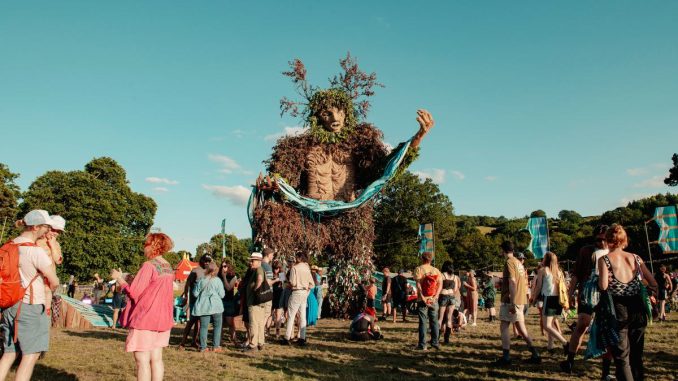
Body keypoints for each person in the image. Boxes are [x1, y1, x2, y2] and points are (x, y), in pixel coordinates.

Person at [0, 210, 60, 381]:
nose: (48, 230)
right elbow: (54, 280)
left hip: (9, 304)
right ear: (35, 227)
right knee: (30, 355)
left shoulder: (9, 246)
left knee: (9, 353)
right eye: (46, 226)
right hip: (30, 306)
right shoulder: (35, 251)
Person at [110, 233, 175, 381]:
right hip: (163, 319)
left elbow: (134, 292)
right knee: (156, 359)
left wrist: (119, 278)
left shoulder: (149, 265)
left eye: (146, 244)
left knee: (142, 361)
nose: (144, 247)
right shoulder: (167, 267)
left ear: (153, 245)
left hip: (146, 318)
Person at [598, 224, 657, 381]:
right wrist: (641, 287)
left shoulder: (604, 260)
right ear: (624, 240)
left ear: (608, 240)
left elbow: (603, 286)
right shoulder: (636, 258)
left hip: (618, 309)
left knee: (622, 357)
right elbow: (653, 283)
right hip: (638, 307)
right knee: (636, 355)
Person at [561, 225, 612, 375]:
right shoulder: (586, 251)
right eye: (599, 240)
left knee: (606, 330)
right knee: (582, 324)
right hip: (587, 292)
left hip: (607, 294)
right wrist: (569, 295)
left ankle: (605, 371)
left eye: (605, 239)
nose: (602, 243)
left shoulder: (614, 251)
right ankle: (569, 361)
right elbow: (576, 274)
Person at [495, 241, 540, 366]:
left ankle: (506, 357)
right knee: (521, 329)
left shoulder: (509, 262)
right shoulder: (518, 262)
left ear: (502, 250)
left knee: (504, 326)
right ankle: (535, 354)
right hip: (521, 299)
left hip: (511, 300)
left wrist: (512, 303)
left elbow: (513, 282)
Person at [531, 252, 569, 354]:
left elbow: (538, 287)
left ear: (546, 259)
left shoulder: (543, 270)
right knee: (551, 324)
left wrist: (534, 299)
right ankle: (550, 347)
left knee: (546, 325)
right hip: (558, 300)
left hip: (548, 298)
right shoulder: (559, 271)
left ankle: (565, 343)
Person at [179, 254, 212, 349]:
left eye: (208, 261)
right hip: (195, 301)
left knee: (199, 322)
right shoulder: (195, 271)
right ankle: (182, 342)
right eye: (205, 260)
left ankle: (194, 341)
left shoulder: (209, 272)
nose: (206, 262)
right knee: (191, 322)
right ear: (201, 260)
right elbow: (188, 284)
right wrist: (186, 297)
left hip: (204, 302)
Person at [282, 252, 315, 346]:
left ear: (299, 258)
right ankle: (302, 337)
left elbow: (292, 282)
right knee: (303, 316)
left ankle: (287, 337)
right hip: (304, 292)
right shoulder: (307, 268)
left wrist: (286, 283)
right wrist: (307, 291)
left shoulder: (294, 268)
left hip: (296, 292)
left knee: (291, 315)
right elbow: (312, 284)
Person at [192, 262, 225, 352]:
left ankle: (203, 347)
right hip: (216, 306)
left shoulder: (201, 280)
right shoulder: (218, 281)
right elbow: (222, 295)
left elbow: (195, 294)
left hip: (203, 307)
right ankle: (216, 346)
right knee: (217, 326)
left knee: (203, 327)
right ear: (216, 270)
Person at [414, 251, 442, 350]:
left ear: (422, 258)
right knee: (434, 321)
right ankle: (435, 343)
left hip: (422, 300)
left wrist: (422, 297)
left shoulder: (418, 269)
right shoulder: (436, 270)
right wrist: (435, 297)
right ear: (431, 259)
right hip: (433, 299)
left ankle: (422, 344)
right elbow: (440, 285)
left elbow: (418, 285)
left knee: (423, 322)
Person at [244, 252, 267, 352]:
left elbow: (260, 279)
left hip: (254, 302)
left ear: (258, 261)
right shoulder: (258, 269)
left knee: (253, 324)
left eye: (252, 260)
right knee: (260, 323)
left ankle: (253, 345)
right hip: (259, 302)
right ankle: (260, 343)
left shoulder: (259, 269)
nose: (251, 262)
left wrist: (255, 290)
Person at [218, 260, 239, 346]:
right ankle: (219, 341)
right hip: (220, 301)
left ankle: (234, 340)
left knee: (230, 322)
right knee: (220, 322)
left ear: (229, 267)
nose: (223, 268)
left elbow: (229, 288)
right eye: (222, 266)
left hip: (229, 301)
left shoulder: (233, 276)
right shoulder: (218, 276)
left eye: (225, 266)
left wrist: (224, 277)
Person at [438, 261, 458, 344]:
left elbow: (438, 287)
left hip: (443, 296)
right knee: (449, 319)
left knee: (440, 318)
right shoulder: (454, 277)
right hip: (452, 297)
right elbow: (456, 289)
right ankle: (447, 340)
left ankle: (436, 339)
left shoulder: (442, 275)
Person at [268, 261, 285, 339]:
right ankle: (267, 330)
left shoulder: (282, 274)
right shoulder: (270, 274)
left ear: (280, 268)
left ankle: (277, 332)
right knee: (269, 314)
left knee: (278, 315)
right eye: (274, 268)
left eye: (277, 268)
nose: (275, 270)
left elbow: (282, 283)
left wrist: (279, 279)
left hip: (279, 295)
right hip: (271, 295)